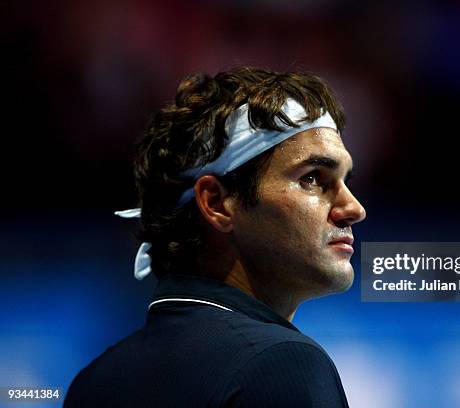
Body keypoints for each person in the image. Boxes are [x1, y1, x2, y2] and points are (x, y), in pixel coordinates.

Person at [64, 67, 366, 407]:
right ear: (217, 202)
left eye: (345, 181)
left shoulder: (95, 381)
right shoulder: (281, 364)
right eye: (312, 178)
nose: (353, 208)